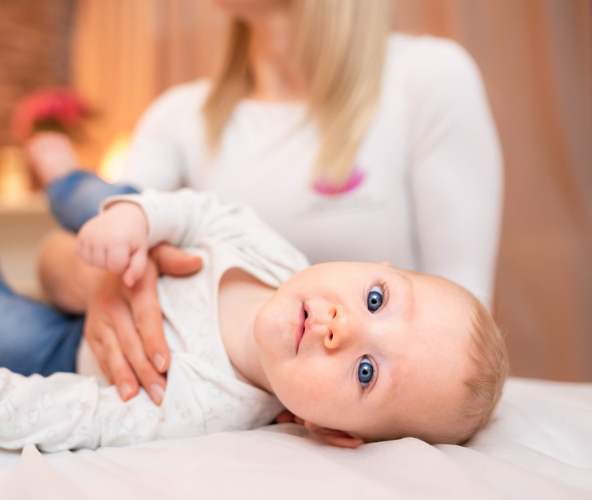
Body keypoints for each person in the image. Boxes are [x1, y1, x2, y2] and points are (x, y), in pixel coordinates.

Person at [32, 0, 504, 405]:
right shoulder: (179, 117)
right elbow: (58, 250)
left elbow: (466, 311)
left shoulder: (429, 79)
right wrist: (101, 278)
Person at [0, 188, 508, 451]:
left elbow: (72, 415)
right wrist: (135, 219)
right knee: (101, 195)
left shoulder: (201, 406)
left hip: (65, 352)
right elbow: (204, 213)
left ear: (330, 429)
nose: (345, 329)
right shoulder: (272, 255)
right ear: (375, 266)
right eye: (375, 300)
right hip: (109, 255)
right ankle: (64, 174)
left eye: (366, 371)